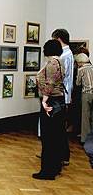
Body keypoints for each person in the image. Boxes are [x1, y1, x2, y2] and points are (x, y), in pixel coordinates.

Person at [33, 39, 65, 180]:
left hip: (51, 102)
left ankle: (47, 171)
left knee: (48, 137)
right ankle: (55, 167)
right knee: (56, 136)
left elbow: (50, 83)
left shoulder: (52, 63)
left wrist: (44, 101)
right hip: (58, 101)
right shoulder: (60, 61)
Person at [52, 29, 74, 166]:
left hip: (61, 95)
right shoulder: (68, 54)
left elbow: (63, 77)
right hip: (64, 94)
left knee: (58, 128)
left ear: (59, 39)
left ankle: (61, 155)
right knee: (59, 127)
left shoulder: (65, 55)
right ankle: (61, 155)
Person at [75, 53, 93, 143]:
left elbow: (78, 83)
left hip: (86, 94)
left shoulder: (81, 69)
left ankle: (85, 138)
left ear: (81, 62)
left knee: (85, 116)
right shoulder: (92, 67)